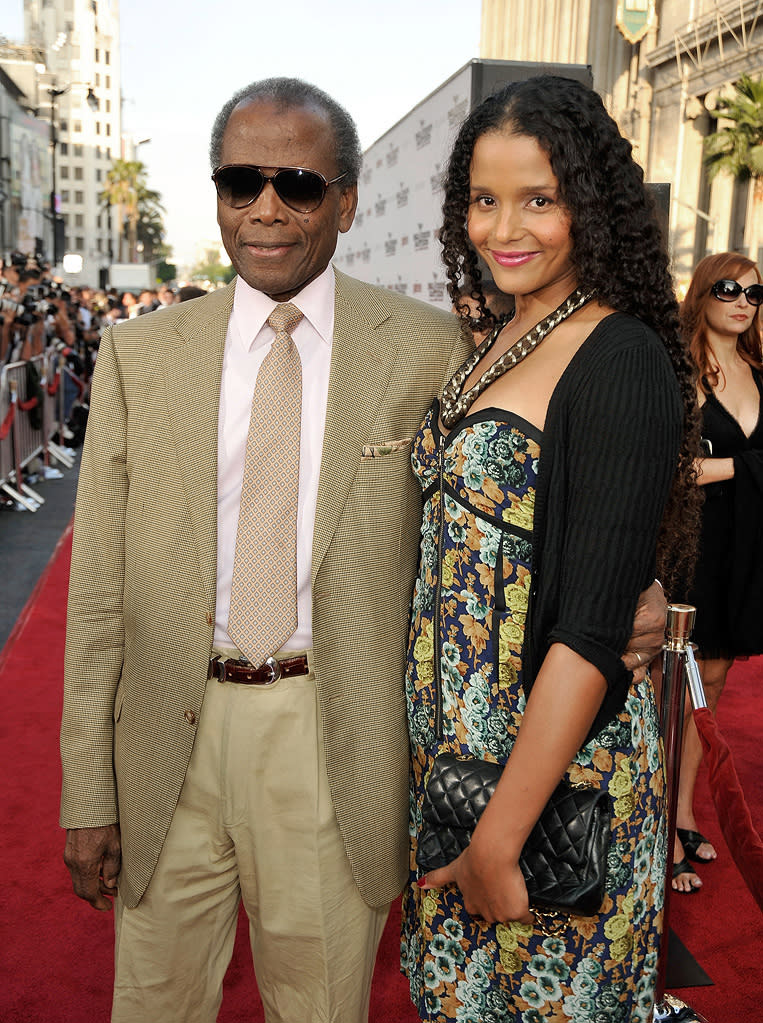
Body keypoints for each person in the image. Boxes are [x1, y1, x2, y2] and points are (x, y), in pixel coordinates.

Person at [60, 77, 667, 1023]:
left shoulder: (434, 348)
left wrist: (636, 579)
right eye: (239, 182)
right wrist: (85, 789)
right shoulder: (142, 354)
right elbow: (96, 594)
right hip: (166, 738)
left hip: (334, 737)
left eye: (297, 184)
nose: (266, 208)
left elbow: (565, 482)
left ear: (344, 200)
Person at [403, 75, 700, 1022]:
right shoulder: (504, 332)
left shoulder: (618, 358)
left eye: (538, 197)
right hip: (458, 763)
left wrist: (500, 835)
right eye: (484, 200)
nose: (505, 228)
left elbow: (590, 628)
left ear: (591, 203)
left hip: (550, 786)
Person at [672, 251, 763, 893]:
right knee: (675, 694)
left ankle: (682, 815)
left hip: (745, 551)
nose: (742, 302)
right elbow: (670, 470)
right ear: (703, 292)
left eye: (756, 294)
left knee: (713, 685)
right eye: (729, 289)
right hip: (691, 547)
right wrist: (749, 468)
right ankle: (656, 827)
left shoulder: (759, 371)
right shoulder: (678, 372)